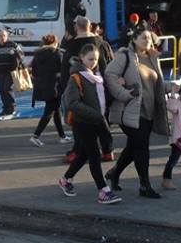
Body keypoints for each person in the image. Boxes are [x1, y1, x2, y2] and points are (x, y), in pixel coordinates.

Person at [104, 30, 170, 199]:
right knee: (141, 147)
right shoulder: (125, 56)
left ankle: (114, 173)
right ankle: (144, 185)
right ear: (134, 39)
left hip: (148, 111)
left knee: (134, 146)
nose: (148, 40)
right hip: (130, 110)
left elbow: (155, 83)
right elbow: (109, 75)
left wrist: (171, 87)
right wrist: (124, 94)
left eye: (150, 38)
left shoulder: (152, 57)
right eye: (144, 37)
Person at [58, 43, 122, 205]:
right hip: (83, 122)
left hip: (95, 121)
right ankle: (103, 191)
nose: (93, 62)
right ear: (81, 58)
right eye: (90, 59)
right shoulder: (76, 77)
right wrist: (95, 115)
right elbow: (72, 103)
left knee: (85, 154)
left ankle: (66, 180)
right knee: (94, 155)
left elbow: (101, 99)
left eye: (96, 59)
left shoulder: (95, 76)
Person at [60, 17, 114, 162]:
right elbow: (111, 64)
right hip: (102, 87)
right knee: (103, 120)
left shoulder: (71, 47)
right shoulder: (102, 44)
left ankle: (77, 151)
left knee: (80, 122)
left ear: (76, 28)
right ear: (90, 27)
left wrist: (62, 90)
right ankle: (107, 150)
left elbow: (65, 71)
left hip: (81, 89)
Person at [30, 34, 71, 146]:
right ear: (55, 43)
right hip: (55, 87)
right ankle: (36, 135)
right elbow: (63, 70)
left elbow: (33, 72)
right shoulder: (57, 54)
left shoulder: (37, 55)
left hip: (42, 87)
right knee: (49, 112)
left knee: (55, 110)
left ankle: (62, 136)